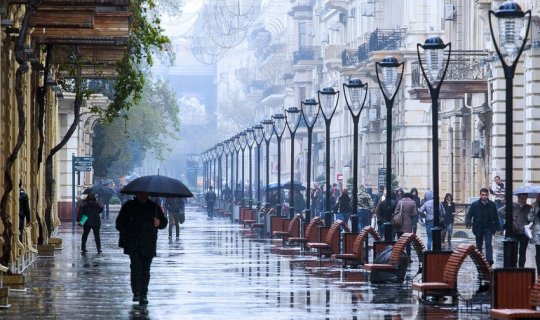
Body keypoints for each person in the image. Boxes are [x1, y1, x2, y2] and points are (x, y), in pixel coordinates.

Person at [116, 192, 167, 305]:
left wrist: (159, 222)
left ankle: (144, 293)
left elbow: (164, 222)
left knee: (145, 270)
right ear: (136, 194)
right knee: (136, 268)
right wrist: (129, 229)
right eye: (140, 193)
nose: (143, 195)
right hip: (133, 243)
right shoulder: (129, 206)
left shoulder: (154, 207)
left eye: (145, 194)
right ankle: (137, 292)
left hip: (149, 243)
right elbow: (119, 224)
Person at [466, 188, 500, 266]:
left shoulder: (492, 204)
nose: (484, 196)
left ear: (488, 195)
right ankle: (479, 259)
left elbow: (496, 216)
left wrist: (498, 227)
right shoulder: (475, 204)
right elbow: (469, 214)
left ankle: (489, 260)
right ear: (480, 195)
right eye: (483, 195)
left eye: (486, 195)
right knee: (479, 244)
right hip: (478, 227)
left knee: (488, 243)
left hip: (489, 227)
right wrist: (468, 223)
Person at [499, 193, 531, 268]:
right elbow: (500, 211)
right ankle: (514, 267)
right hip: (514, 231)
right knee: (514, 252)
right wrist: (510, 217)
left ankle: (521, 268)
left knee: (523, 252)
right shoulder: (513, 205)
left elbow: (531, 219)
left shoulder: (528, 207)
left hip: (524, 232)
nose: (524, 200)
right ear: (519, 198)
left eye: (525, 199)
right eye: (522, 198)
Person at [393, 192, 418, 258]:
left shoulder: (400, 202)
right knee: (408, 241)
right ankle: (408, 256)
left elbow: (396, 212)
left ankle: (400, 255)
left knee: (400, 240)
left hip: (399, 223)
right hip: (408, 224)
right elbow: (415, 213)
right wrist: (409, 215)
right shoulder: (413, 202)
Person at [528, 194, 540, 274]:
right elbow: (530, 218)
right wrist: (532, 210)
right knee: (538, 253)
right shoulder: (535, 206)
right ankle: (539, 272)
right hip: (537, 232)